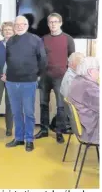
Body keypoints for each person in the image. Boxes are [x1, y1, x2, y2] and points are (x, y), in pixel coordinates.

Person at [5, 16, 47, 152]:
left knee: (28, 112)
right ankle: (19, 138)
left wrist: (37, 75)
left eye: (23, 24)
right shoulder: (10, 41)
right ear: (14, 26)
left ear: (27, 25)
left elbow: (43, 60)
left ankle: (29, 139)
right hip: (11, 82)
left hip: (28, 81)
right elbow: (8, 59)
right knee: (16, 113)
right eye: (17, 24)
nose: (19, 26)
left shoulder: (36, 39)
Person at [35, 13, 75, 144]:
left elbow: (72, 59)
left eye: (56, 22)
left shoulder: (68, 39)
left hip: (61, 77)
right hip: (45, 76)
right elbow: (39, 58)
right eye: (51, 22)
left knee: (60, 106)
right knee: (43, 104)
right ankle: (44, 130)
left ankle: (59, 132)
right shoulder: (43, 39)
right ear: (48, 24)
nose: (53, 24)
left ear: (61, 23)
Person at [68, 57, 99, 144]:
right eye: (98, 69)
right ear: (90, 71)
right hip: (92, 131)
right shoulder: (89, 88)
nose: (99, 72)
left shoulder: (77, 80)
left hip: (85, 127)